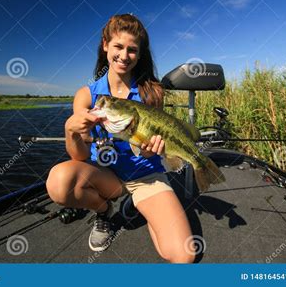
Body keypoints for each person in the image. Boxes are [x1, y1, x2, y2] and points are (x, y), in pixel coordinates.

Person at [46, 14, 195, 263]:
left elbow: (159, 142)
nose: (124, 56)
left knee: (184, 255)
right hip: (105, 176)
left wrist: (153, 151)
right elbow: (80, 157)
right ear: (105, 45)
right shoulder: (87, 95)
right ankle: (104, 211)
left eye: (132, 50)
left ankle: (146, 208)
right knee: (59, 182)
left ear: (140, 54)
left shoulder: (152, 92)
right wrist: (70, 130)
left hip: (146, 176)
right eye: (118, 46)